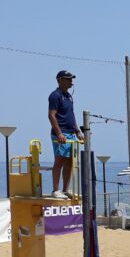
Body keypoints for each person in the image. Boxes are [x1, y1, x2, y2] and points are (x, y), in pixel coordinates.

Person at [47, 70, 83, 199]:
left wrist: (77, 131)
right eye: (68, 79)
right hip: (60, 134)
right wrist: (59, 133)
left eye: (71, 79)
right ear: (60, 80)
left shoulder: (69, 96)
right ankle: (55, 190)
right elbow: (51, 115)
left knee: (69, 161)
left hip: (70, 134)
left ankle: (66, 189)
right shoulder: (55, 95)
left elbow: (71, 115)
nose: (71, 81)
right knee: (59, 160)